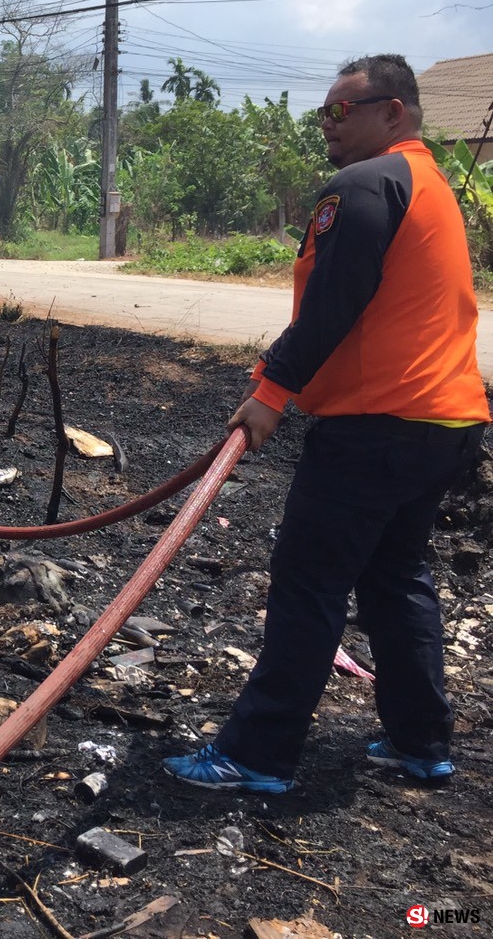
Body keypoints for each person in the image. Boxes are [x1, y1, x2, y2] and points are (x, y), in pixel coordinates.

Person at [163, 54, 489, 794]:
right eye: (324, 113)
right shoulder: (429, 184)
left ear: (393, 113)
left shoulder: (367, 185)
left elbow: (331, 307)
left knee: (309, 580)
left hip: (377, 425)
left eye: (342, 112)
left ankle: (257, 753)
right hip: (446, 421)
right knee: (396, 576)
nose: (328, 126)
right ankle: (421, 744)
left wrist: (271, 392)